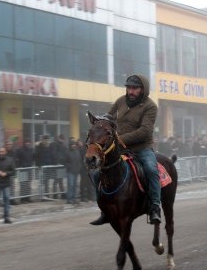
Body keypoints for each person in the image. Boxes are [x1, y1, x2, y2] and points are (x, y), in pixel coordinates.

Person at [90, 74, 161, 225]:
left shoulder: (150, 106)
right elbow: (108, 117)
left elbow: (145, 131)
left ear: (143, 89)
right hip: (120, 149)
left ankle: (155, 207)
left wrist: (120, 140)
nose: (130, 91)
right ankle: (104, 210)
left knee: (151, 170)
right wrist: (99, 122)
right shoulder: (120, 101)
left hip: (142, 148)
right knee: (97, 174)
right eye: (128, 87)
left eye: (134, 88)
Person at [16, 139, 35, 203]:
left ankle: (28, 197)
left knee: (28, 184)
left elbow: (33, 158)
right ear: (24, 143)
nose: (28, 143)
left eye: (29, 142)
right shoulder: (20, 150)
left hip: (29, 169)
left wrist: (32, 164)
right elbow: (17, 159)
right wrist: (20, 166)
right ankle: (23, 199)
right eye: (26, 142)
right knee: (23, 185)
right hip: (22, 170)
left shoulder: (31, 149)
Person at [50, 134, 68, 199]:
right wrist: (59, 160)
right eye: (62, 139)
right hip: (56, 165)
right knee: (56, 180)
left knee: (60, 180)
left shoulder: (63, 145)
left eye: (63, 139)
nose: (63, 140)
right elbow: (54, 154)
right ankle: (55, 195)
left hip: (61, 165)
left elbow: (65, 154)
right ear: (59, 138)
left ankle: (62, 194)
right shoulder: (55, 144)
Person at [65, 139, 81, 204]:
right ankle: (69, 199)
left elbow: (79, 160)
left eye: (74, 144)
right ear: (70, 145)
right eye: (72, 144)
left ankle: (74, 198)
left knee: (75, 185)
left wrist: (79, 167)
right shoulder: (67, 152)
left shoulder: (77, 152)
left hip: (76, 171)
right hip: (70, 172)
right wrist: (69, 166)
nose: (73, 145)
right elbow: (65, 162)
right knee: (71, 185)